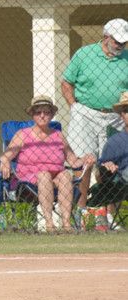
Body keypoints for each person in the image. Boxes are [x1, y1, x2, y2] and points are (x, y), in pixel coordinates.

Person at [0, 95, 94, 232]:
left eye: (46, 112)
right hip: (28, 181)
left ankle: (66, 223)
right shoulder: (22, 134)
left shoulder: (58, 135)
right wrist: (5, 160)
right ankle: (49, 223)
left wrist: (86, 158)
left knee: (66, 175)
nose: (42, 115)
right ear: (32, 114)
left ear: (52, 114)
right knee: (44, 175)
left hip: (55, 178)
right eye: (38, 112)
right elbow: (6, 155)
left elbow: (73, 161)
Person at [61, 18, 128, 208]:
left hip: (115, 117)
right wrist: (74, 106)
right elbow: (66, 83)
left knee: (110, 166)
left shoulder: (127, 58)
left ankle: (105, 215)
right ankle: (81, 213)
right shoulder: (84, 54)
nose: (121, 45)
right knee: (83, 164)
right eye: (117, 41)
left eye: (124, 42)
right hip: (85, 113)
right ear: (106, 37)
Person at [94, 91, 128, 221]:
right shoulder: (115, 141)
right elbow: (101, 171)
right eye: (127, 110)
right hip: (123, 181)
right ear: (122, 115)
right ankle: (108, 215)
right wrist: (107, 164)